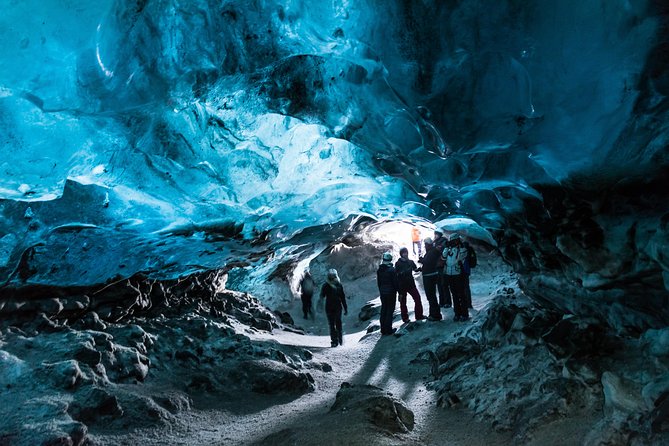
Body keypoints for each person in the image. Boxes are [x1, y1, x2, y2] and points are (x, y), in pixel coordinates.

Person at [442, 234, 469, 321]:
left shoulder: (462, 248)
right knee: (454, 295)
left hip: (458, 274)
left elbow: (461, 257)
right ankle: (457, 313)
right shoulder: (449, 248)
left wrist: (460, 247)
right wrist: (446, 248)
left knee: (461, 294)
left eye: (454, 241)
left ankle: (464, 314)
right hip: (449, 275)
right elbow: (443, 257)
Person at [395, 247, 425, 322]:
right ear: (401, 254)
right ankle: (405, 318)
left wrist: (421, 268)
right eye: (404, 253)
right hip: (402, 285)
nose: (405, 254)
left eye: (406, 252)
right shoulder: (398, 263)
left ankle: (419, 315)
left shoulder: (410, 262)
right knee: (403, 302)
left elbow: (415, 269)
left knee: (417, 298)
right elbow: (397, 275)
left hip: (411, 284)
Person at [320, 269, 348, 346]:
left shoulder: (326, 285)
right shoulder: (338, 285)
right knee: (337, 323)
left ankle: (335, 341)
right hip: (337, 306)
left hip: (329, 307)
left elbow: (322, 296)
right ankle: (339, 340)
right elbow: (342, 297)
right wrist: (345, 308)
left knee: (332, 324)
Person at [418, 238, 442, 321]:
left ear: (428, 244)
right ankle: (434, 314)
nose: (425, 246)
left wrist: (422, 260)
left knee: (431, 296)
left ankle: (435, 315)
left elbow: (428, 262)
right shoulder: (432, 251)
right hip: (430, 274)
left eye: (425, 244)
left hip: (429, 276)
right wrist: (422, 268)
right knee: (432, 296)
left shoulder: (432, 252)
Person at [377, 252, 399, 335]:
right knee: (390, 310)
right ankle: (388, 329)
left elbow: (379, 283)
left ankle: (383, 329)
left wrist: (381, 291)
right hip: (391, 293)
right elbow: (395, 283)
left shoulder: (380, 270)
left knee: (384, 310)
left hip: (383, 292)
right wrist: (399, 292)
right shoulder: (392, 270)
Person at [433, 229, 451, 308]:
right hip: (437, 267)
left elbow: (442, 252)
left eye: (436, 234)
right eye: (435, 234)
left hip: (443, 266)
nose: (435, 236)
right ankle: (442, 302)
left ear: (439, 235)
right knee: (439, 285)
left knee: (444, 284)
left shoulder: (443, 242)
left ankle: (447, 302)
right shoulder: (435, 242)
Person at [462, 241, 475, 309]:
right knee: (466, 287)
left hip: (463, 271)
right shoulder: (469, 250)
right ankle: (468, 304)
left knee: (464, 288)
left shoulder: (465, 251)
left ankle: (467, 304)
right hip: (466, 271)